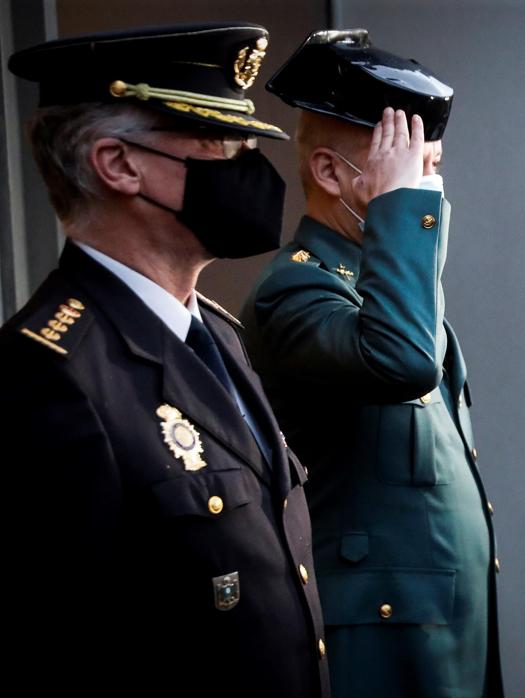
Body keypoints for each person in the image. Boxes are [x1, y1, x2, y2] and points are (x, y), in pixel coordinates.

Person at [0, 23, 329, 697]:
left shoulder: (216, 334)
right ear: (118, 164)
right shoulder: (49, 376)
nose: (246, 165)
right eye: (219, 142)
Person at [240, 29, 501, 697]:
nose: (428, 191)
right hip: (378, 649)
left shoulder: (378, 281)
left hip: (441, 631)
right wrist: (400, 210)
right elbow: (403, 363)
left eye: (433, 168)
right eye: (411, 172)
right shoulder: (295, 290)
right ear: (331, 174)